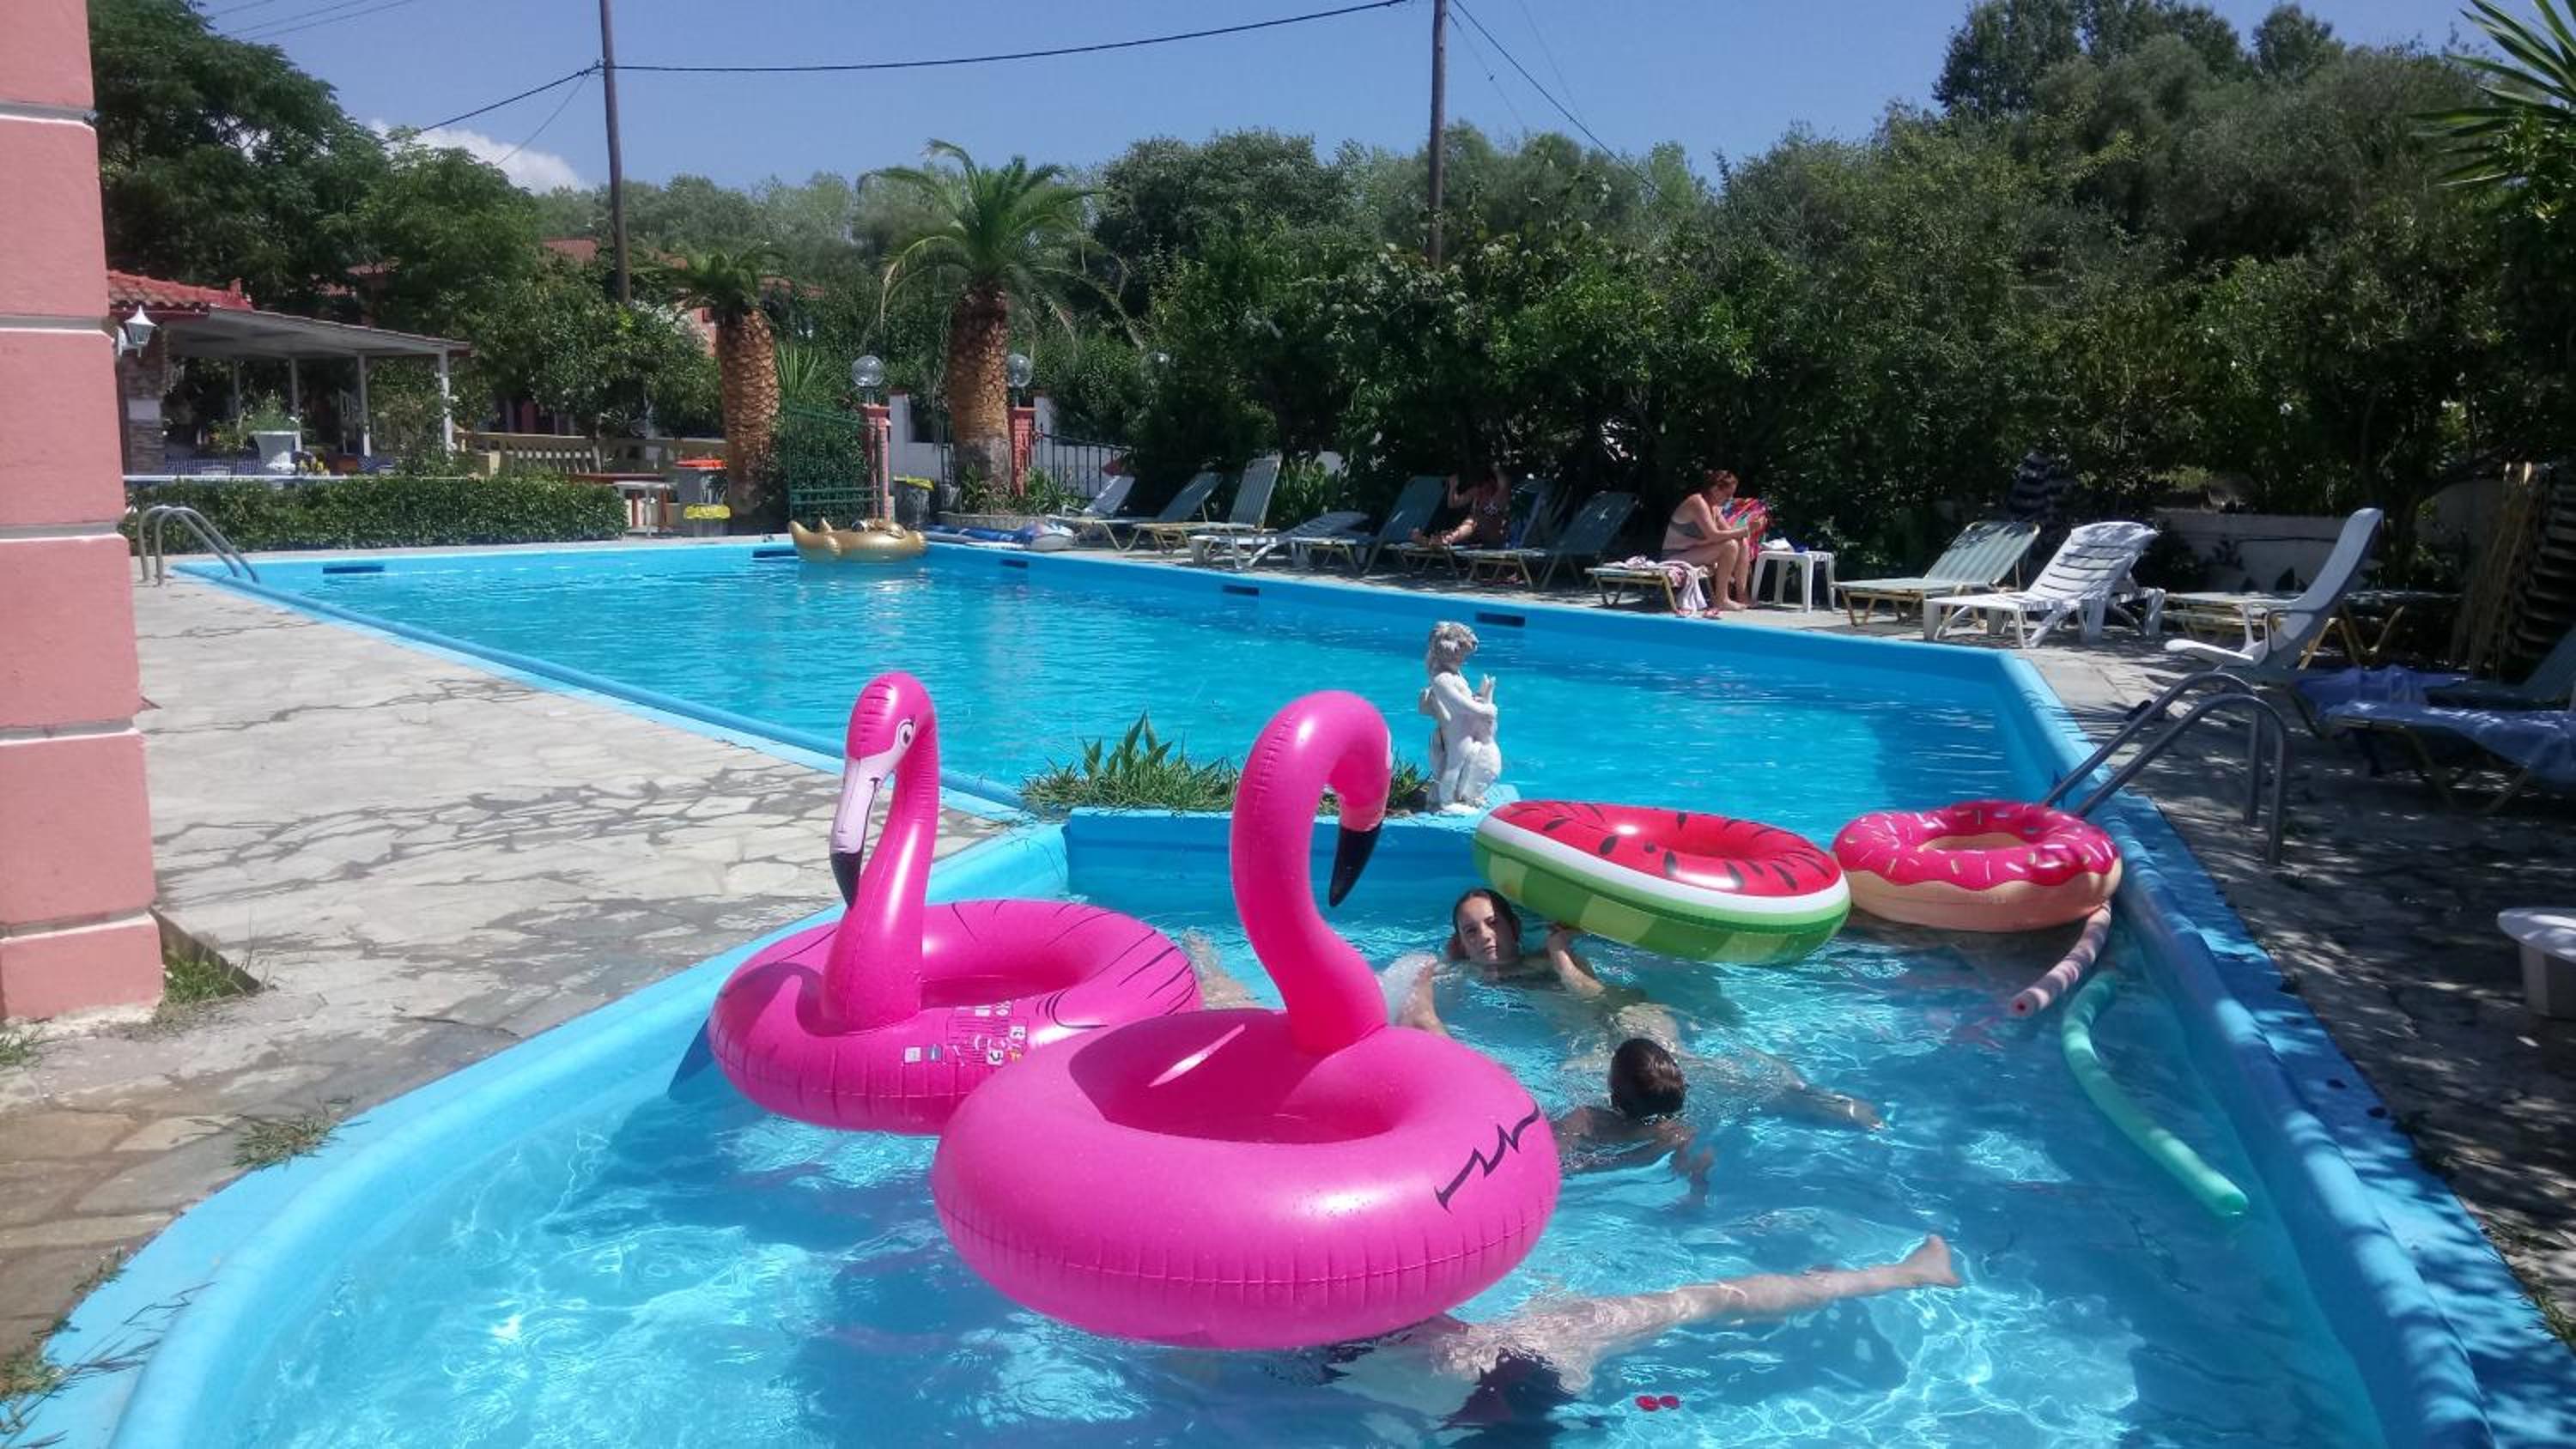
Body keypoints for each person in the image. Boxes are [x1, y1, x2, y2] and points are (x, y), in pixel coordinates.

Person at [1312, 1236, 1959, 1422]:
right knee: (1698, 1302)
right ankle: (1903, 1275)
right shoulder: (1362, 1295)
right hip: (1514, 1369)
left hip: (1473, 1405)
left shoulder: (1294, 1329)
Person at [1401, 889, 1883, 1131]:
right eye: (1470, 931)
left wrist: (1559, 954)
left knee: (1689, 1069)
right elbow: (1428, 1024)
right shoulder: (1459, 977)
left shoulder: (1547, 962)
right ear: (1459, 941)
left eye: (1492, 923)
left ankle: (1803, 1099)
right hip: (1590, 1047)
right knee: (1594, 1086)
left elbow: (1594, 995)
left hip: (1624, 1019)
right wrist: (1445, 965)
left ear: (1511, 926)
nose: (1485, 937)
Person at [1662, 470, 1765, 609]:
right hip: (1675, 556)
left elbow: (1730, 532)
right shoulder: (1697, 502)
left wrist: (1749, 529)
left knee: (1742, 542)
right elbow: (1714, 536)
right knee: (1730, 546)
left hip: (1695, 552)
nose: (1730, 499)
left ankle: (1742, 595)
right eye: (1727, 495)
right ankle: (1721, 599)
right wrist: (1747, 530)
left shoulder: (1714, 508)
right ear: (1715, 489)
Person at [1413, 468, 1511, 549]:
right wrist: (1453, 487)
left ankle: (1444, 539)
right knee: (1471, 520)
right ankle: (1440, 540)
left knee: (1474, 520)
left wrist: (1496, 468)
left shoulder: (1500, 495)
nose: (1482, 489)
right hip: (1474, 533)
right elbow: (1452, 504)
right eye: (1480, 486)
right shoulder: (1477, 491)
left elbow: (1505, 483)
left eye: (1485, 486)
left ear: (1493, 483)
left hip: (1493, 535)